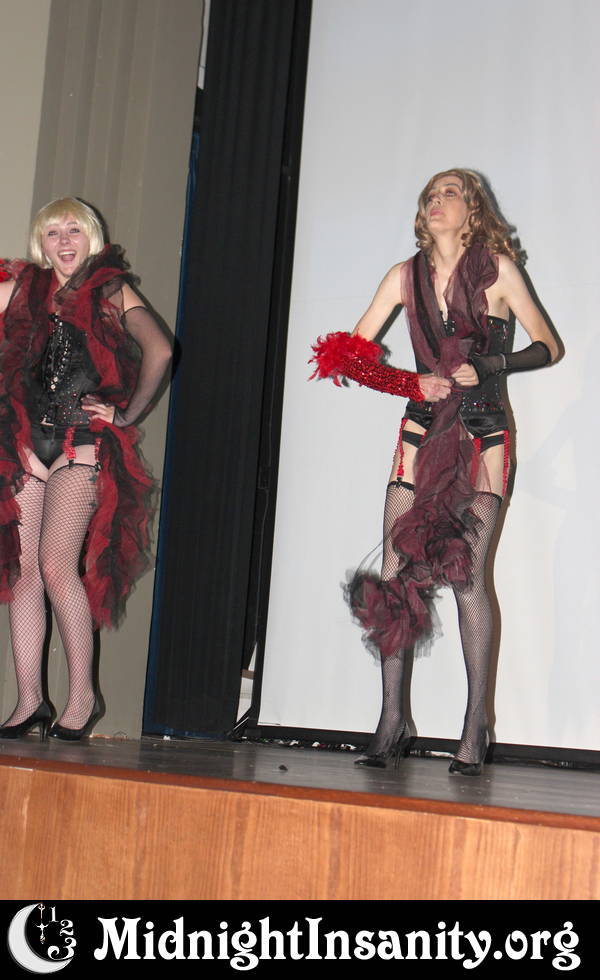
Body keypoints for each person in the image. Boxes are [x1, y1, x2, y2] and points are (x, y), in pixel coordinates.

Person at [310, 169, 558, 774]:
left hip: (482, 433)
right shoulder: (403, 276)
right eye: (430, 195)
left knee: (467, 576)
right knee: (396, 572)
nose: (436, 201)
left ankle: (475, 725)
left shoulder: (498, 270)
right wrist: (409, 382)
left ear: (473, 209)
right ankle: (392, 717)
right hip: (421, 432)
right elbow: (347, 354)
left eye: (449, 192)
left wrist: (492, 363)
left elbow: (548, 346)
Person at [0, 197, 171, 741]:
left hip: (81, 442)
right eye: (53, 233)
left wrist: (128, 414)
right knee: (22, 574)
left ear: (91, 238)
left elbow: (161, 350)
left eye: (74, 230)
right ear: (41, 243)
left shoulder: (111, 290)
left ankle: (82, 697)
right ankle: (30, 700)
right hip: (27, 443)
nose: (64, 241)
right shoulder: (21, 289)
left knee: (56, 567)